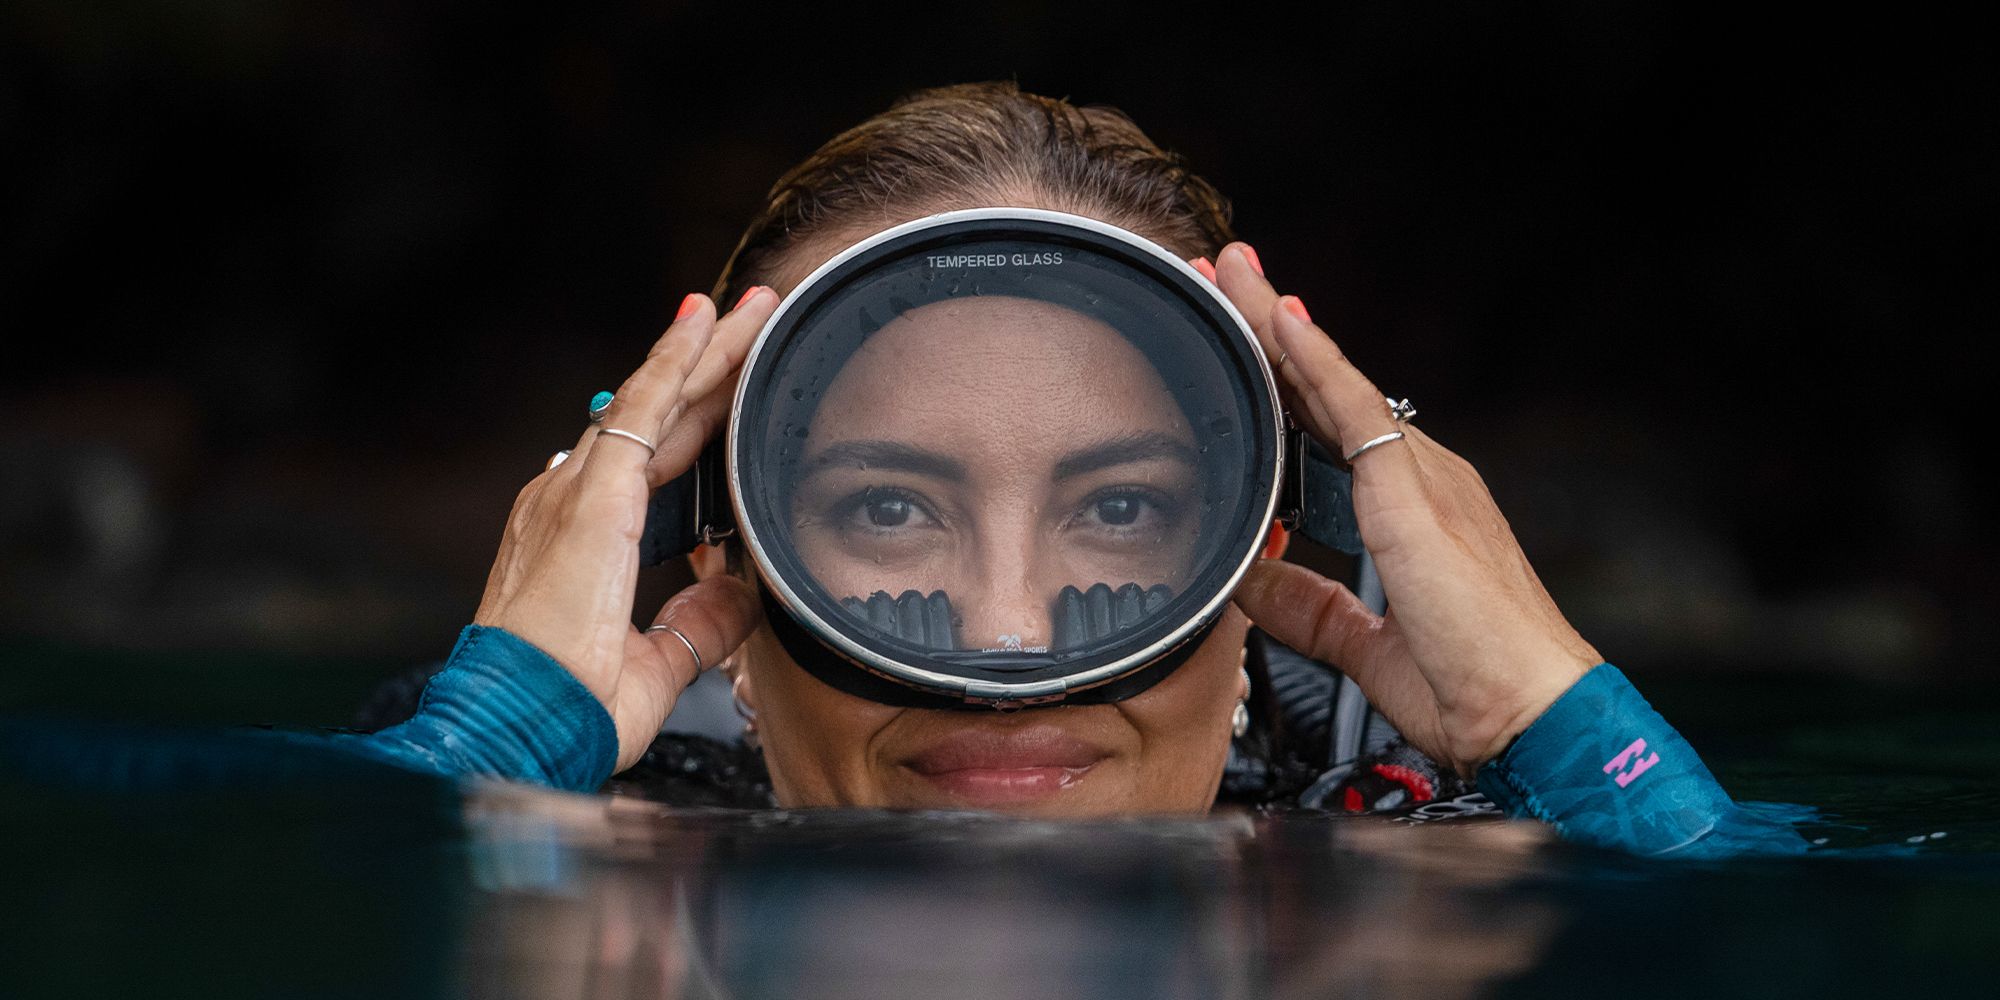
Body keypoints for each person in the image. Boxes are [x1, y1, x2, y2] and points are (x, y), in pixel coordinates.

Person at [15, 82, 1804, 860]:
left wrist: (1576, 729)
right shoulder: (577, 803)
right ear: (726, 545)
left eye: (1119, 510)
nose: (1010, 634)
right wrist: (489, 740)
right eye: (883, 510)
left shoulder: (1429, 817)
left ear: (1268, 545)